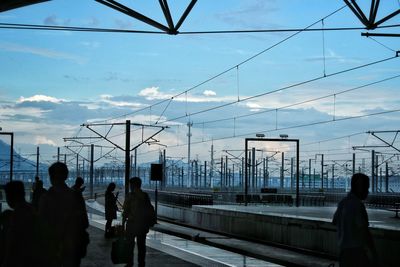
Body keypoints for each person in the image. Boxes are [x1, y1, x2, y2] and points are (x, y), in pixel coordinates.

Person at [38, 162, 89, 267]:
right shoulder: (76, 196)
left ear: (50, 177)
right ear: (66, 176)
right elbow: (84, 223)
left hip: (51, 249)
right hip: (72, 248)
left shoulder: (45, 199)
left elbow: (41, 226)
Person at [332, 173, 378, 267]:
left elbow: (334, 221)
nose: (367, 192)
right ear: (359, 188)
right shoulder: (358, 205)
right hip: (356, 253)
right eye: (366, 188)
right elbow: (364, 230)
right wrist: (373, 252)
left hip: (343, 252)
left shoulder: (342, 202)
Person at [2, 180, 40, 267]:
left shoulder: (17, 214)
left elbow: (12, 244)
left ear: (10, 196)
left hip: (22, 260)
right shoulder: (30, 208)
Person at [122, 177, 153, 267]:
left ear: (133, 185)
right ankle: (141, 263)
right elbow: (149, 209)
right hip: (142, 224)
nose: (130, 186)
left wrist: (123, 223)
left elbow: (125, 211)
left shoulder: (130, 195)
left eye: (131, 184)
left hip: (132, 223)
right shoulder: (145, 195)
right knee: (141, 246)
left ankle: (129, 263)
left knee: (130, 245)